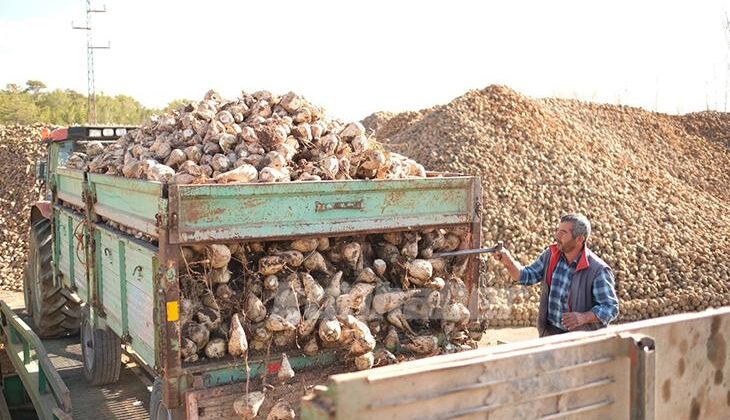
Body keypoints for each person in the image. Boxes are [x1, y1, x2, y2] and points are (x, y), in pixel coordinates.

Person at [494, 213, 619, 337]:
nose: (557, 236)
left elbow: (610, 308)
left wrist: (583, 317)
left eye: (563, 232)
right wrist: (507, 261)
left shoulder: (598, 270)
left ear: (580, 239)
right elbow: (526, 276)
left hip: (580, 341)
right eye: (558, 230)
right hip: (550, 334)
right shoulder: (551, 255)